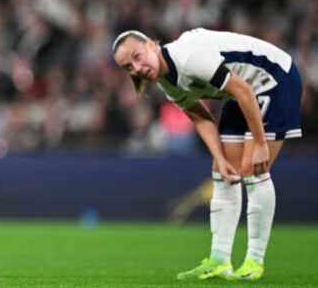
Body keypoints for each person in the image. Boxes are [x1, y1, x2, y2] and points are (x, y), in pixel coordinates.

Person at [112, 28, 303, 281]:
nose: (137, 68)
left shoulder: (188, 57)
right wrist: (220, 158)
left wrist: (259, 142)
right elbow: (201, 118)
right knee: (222, 171)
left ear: (151, 44)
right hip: (240, 93)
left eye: (137, 56)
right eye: (129, 67)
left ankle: (254, 261)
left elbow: (244, 90)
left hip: (273, 79)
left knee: (253, 170)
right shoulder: (166, 81)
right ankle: (219, 260)